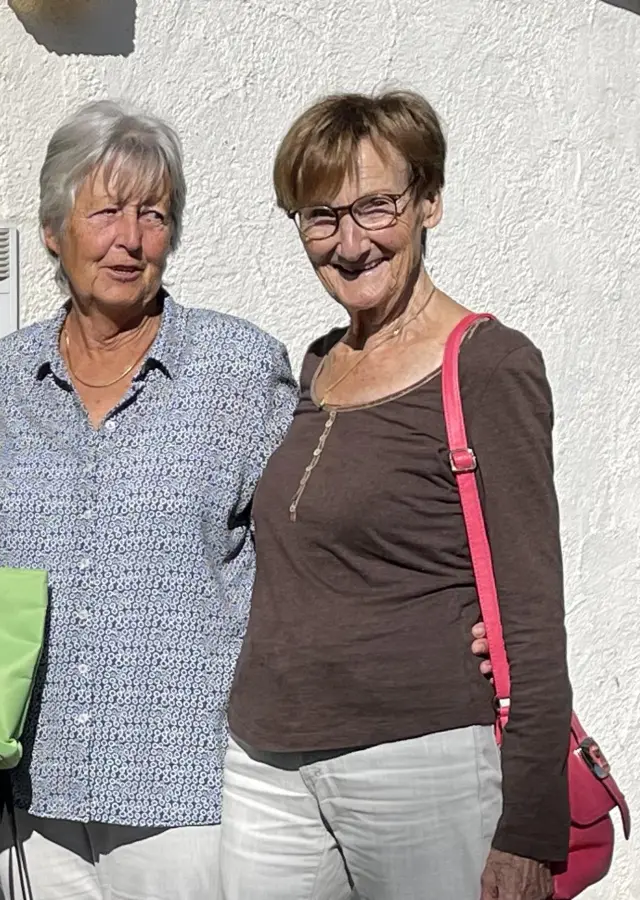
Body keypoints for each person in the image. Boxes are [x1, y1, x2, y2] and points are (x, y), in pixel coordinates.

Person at [222, 90, 571, 900]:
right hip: (268, 761)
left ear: (428, 204)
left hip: (420, 759)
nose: (349, 243)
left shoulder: (487, 364)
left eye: (375, 206)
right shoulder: (313, 366)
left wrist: (530, 825)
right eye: (320, 216)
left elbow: (530, 608)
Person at [0, 100, 295, 899]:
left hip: (187, 796)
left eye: (154, 213)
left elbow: (302, 560)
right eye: (106, 210)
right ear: (53, 230)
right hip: (28, 792)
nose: (131, 238)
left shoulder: (241, 373)